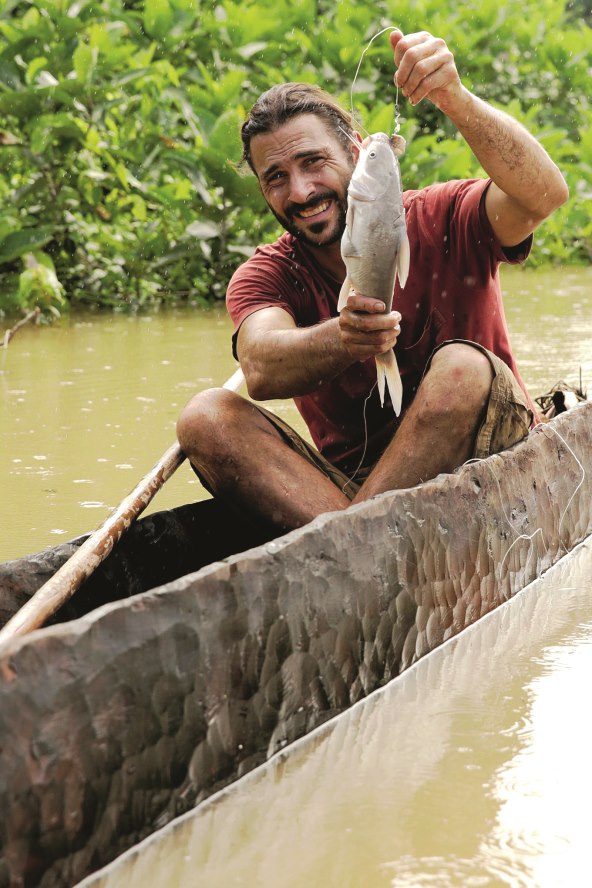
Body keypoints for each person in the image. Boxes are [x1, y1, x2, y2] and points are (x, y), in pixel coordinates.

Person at [177, 29, 568, 532]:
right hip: (353, 488)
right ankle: (363, 538)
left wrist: (456, 98)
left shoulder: (441, 215)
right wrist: (343, 337)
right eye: (276, 177)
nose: (301, 191)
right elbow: (260, 363)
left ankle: (350, 540)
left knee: (462, 368)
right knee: (205, 417)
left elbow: (544, 195)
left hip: (495, 459)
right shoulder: (267, 273)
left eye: (313, 162)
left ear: (357, 154)